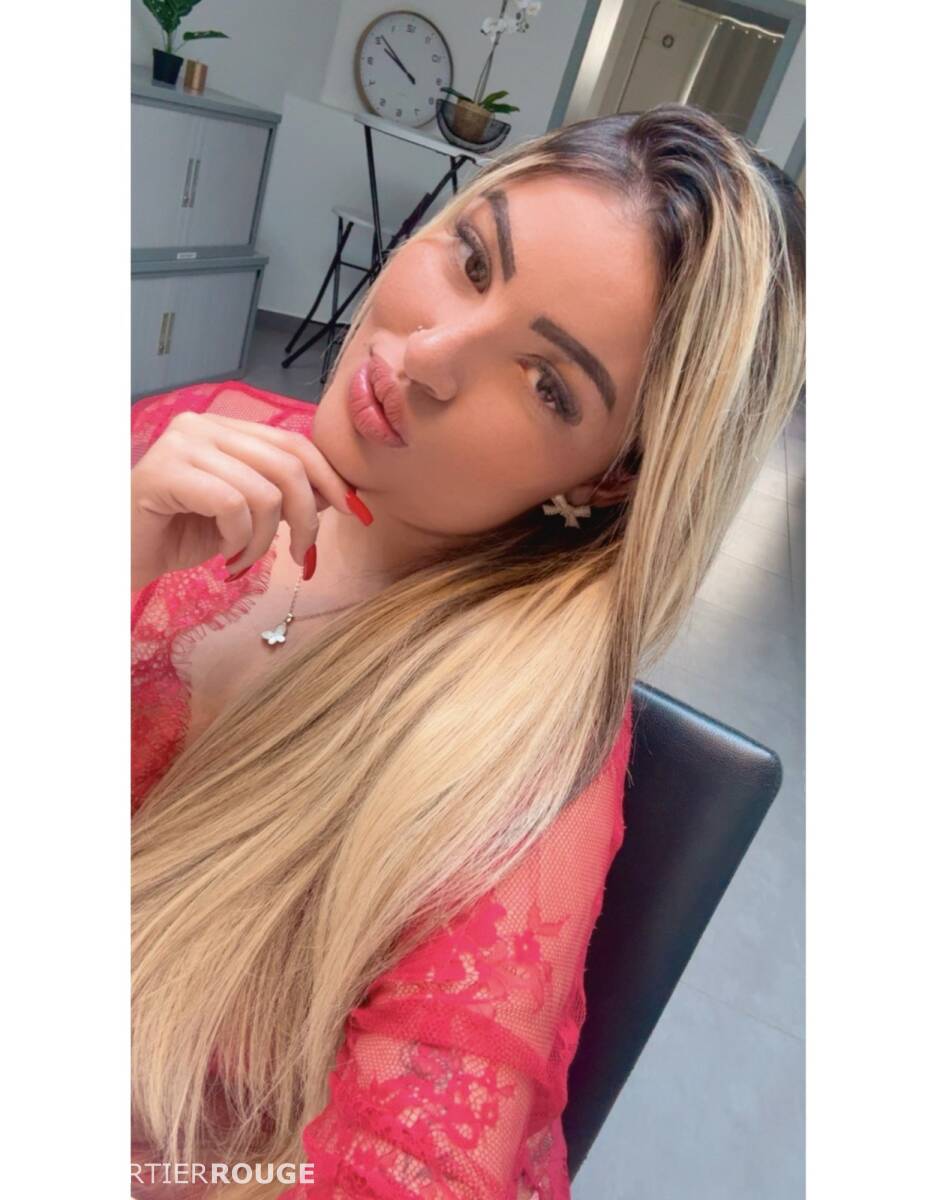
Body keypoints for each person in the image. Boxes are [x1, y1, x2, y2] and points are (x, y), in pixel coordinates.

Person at [130, 103, 805, 1199]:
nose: (428, 356)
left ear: (608, 480)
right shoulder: (202, 434)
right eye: (474, 259)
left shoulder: (517, 765)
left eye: (547, 383)